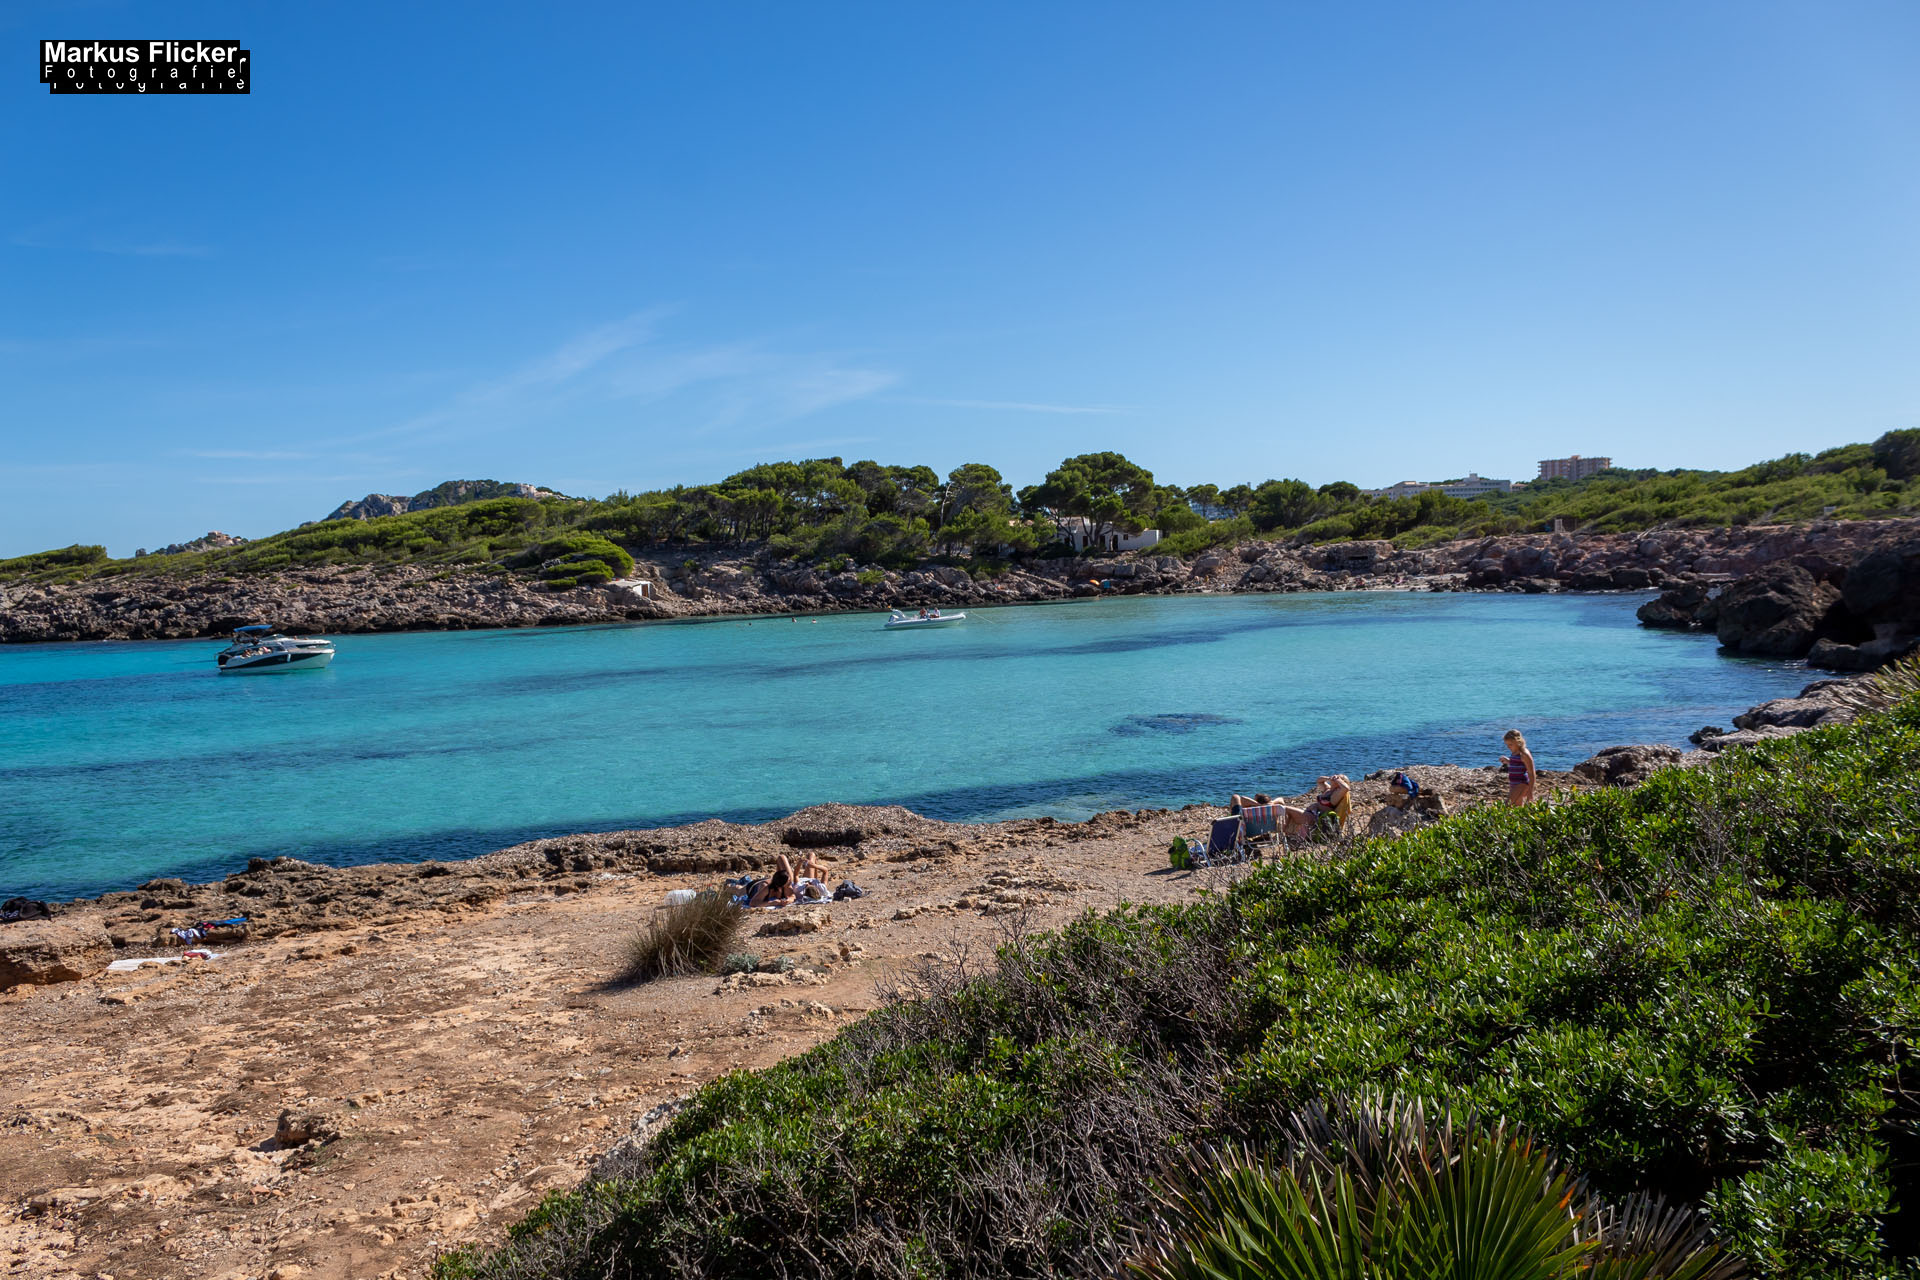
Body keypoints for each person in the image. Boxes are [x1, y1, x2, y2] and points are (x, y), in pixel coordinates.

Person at [1501, 730, 1536, 806]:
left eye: (1510, 744)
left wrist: (1530, 792)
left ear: (1517, 742)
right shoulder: (1514, 752)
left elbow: (1531, 773)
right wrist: (1508, 761)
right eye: (1507, 744)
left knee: (1507, 806)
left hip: (1521, 784)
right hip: (1513, 784)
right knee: (1517, 809)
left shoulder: (1524, 753)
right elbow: (1518, 764)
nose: (1508, 747)